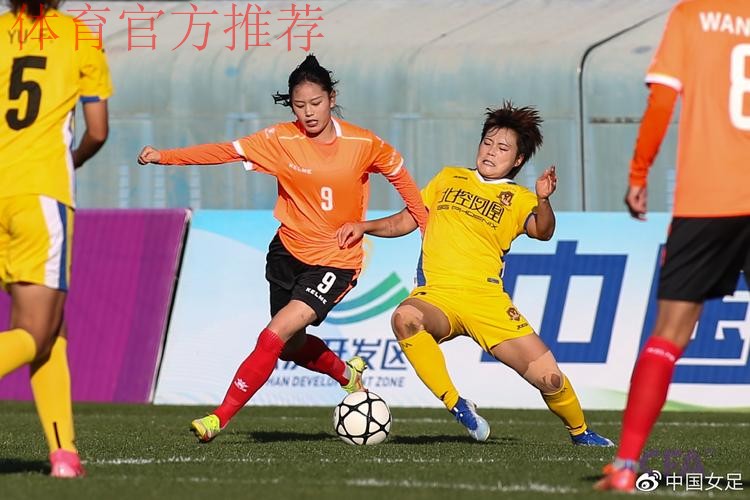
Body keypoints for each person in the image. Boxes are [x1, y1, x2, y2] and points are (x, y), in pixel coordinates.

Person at [137, 55, 428, 443]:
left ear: (332, 99)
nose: (308, 113)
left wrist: (427, 229)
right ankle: (347, 374)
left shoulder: (363, 143)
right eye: (299, 105)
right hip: (287, 253)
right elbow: (225, 151)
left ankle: (218, 418)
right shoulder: (280, 139)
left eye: (316, 103)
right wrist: (164, 157)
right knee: (290, 347)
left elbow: (402, 180)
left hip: (335, 261)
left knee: (274, 334)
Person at [337, 102, 613, 446]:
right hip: (438, 295)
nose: (491, 152)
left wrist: (543, 200)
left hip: (487, 302)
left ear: (518, 160)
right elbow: (406, 220)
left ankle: (581, 432)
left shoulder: (519, 197)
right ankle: (458, 404)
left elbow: (543, 231)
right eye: (487, 143)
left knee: (550, 380)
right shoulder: (448, 178)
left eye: (502, 148)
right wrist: (364, 226)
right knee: (405, 318)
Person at [595, 0, 750, 492]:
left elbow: (662, 103)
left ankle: (626, 466)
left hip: (709, 199)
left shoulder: (691, 15)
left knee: (668, 336)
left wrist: (638, 174)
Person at [0, 0, 112, 478]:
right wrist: (74, 160)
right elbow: (97, 131)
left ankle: (64, 455)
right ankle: (63, 454)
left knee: (50, 331)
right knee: (36, 332)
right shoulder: (78, 35)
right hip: (40, 194)